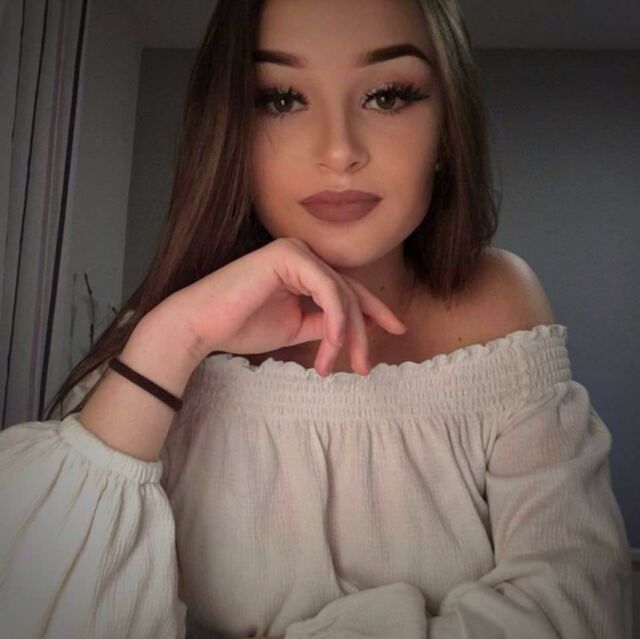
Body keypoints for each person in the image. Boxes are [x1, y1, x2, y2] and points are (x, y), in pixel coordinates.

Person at [0, 0, 633, 637]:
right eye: (281, 98)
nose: (338, 151)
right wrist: (174, 338)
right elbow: (36, 608)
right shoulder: (161, 342)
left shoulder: (499, 301)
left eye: (388, 95)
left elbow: (575, 610)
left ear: (447, 131)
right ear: (230, 131)